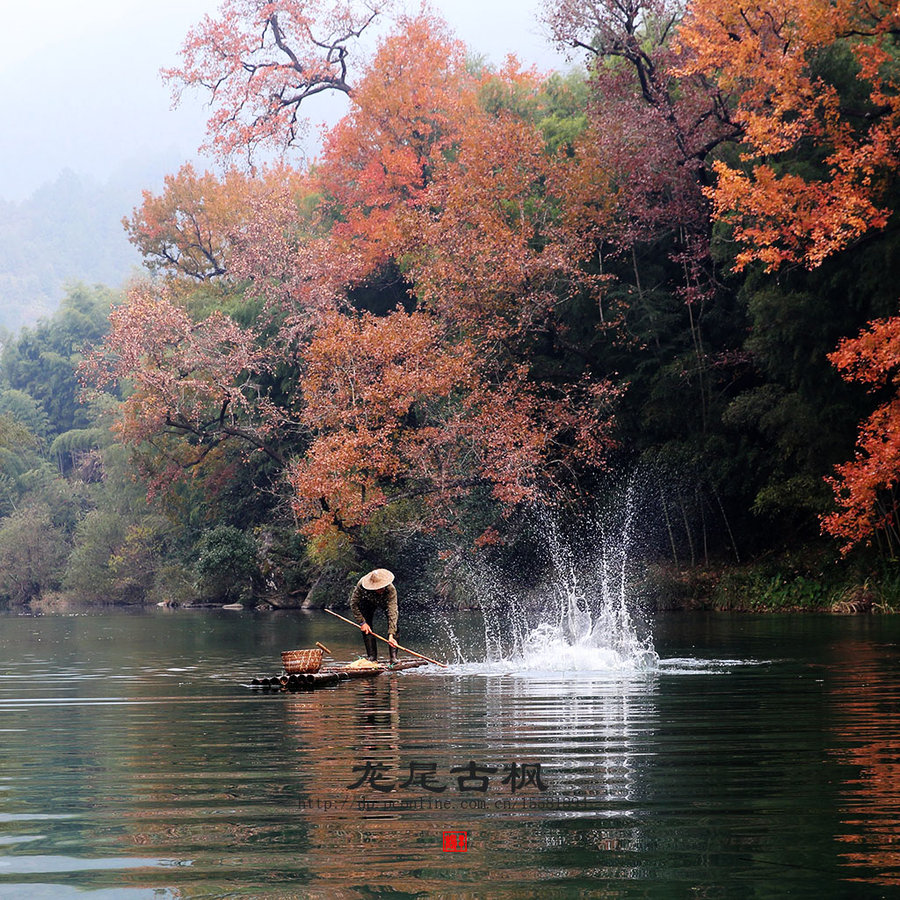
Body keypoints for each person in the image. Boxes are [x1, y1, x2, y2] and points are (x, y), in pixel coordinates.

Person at [349, 568, 399, 663]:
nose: (381, 589)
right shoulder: (361, 586)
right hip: (367, 602)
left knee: (395, 626)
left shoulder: (390, 589)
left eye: (382, 587)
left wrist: (391, 635)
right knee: (367, 628)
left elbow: (393, 612)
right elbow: (353, 604)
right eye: (379, 588)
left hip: (385, 602)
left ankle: (393, 657)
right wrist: (362, 622)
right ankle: (372, 657)